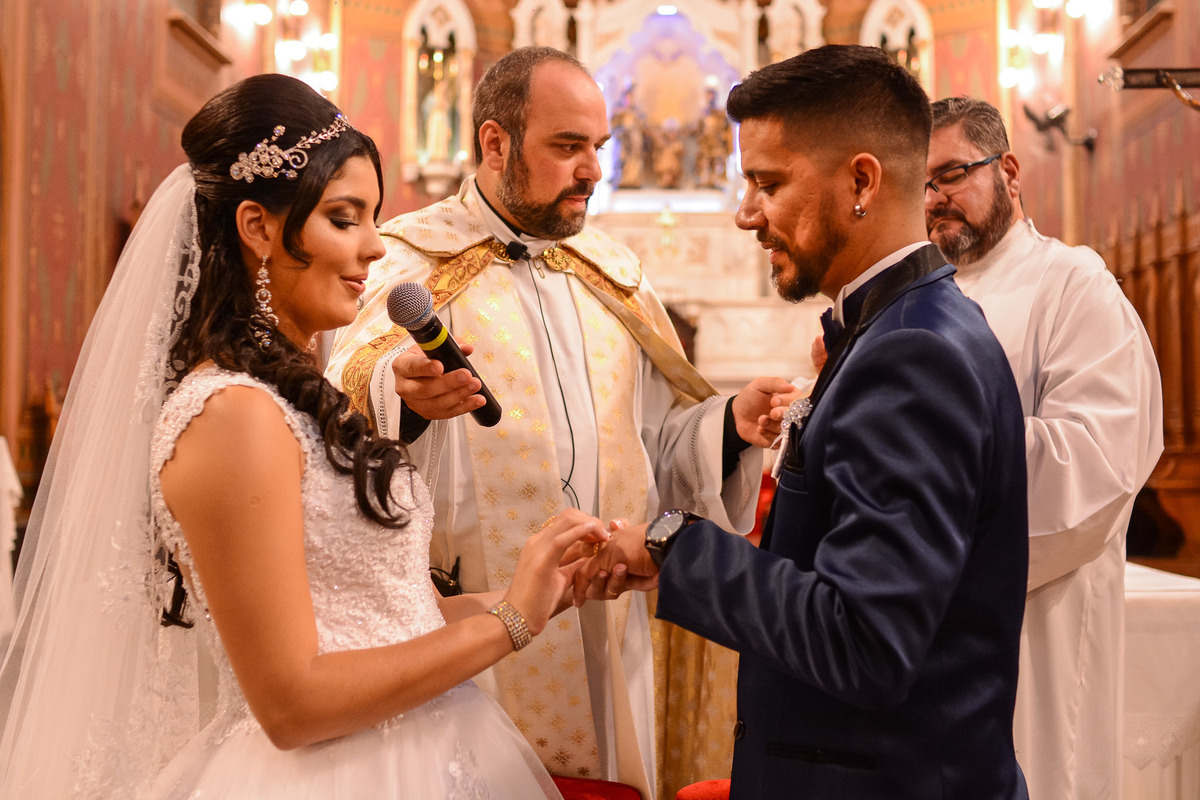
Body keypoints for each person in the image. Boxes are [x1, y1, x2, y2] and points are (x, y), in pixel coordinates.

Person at [0, 73, 612, 799]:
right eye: (345, 218)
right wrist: (508, 622)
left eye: (372, 217)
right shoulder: (230, 415)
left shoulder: (291, 401)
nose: (376, 248)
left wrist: (539, 590)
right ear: (258, 227)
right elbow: (293, 703)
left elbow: (385, 618)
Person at [576, 45, 1031, 799]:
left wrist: (671, 547)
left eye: (768, 183)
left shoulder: (913, 352)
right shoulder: (897, 325)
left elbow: (865, 640)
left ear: (861, 180)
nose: (745, 213)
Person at [326, 46, 776, 794]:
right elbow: (344, 395)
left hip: (605, 628)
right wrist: (402, 403)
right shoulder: (406, 260)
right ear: (495, 143)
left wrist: (730, 425)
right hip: (472, 625)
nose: (593, 170)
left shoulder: (614, 275)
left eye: (597, 148)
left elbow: (656, 448)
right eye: (567, 147)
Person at [926, 96, 1163, 799]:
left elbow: (1099, 459)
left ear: (1009, 171)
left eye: (952, 174)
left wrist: (925, 444)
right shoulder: (920, 300)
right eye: (923, 184)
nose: (936, 199)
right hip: (925, 633)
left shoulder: (1073, 283)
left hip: (1035, 627)